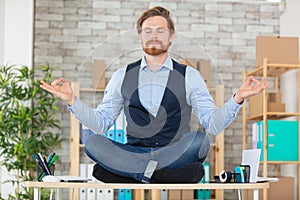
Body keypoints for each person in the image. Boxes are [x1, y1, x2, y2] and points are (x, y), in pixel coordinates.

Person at [40, 6, 268, 183]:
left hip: (174, 152)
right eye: (147, 31)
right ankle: (158, 173)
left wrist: (239, 96)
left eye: (160, 31)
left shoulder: (190, 75)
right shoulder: (122, 75)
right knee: (94, 143)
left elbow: (212, 124)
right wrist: (72, 100)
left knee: (198, 140)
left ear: (171, 37)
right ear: (140, 37)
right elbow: (101, 124)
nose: (154, 36)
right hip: (133, 151)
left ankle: (135, 173)